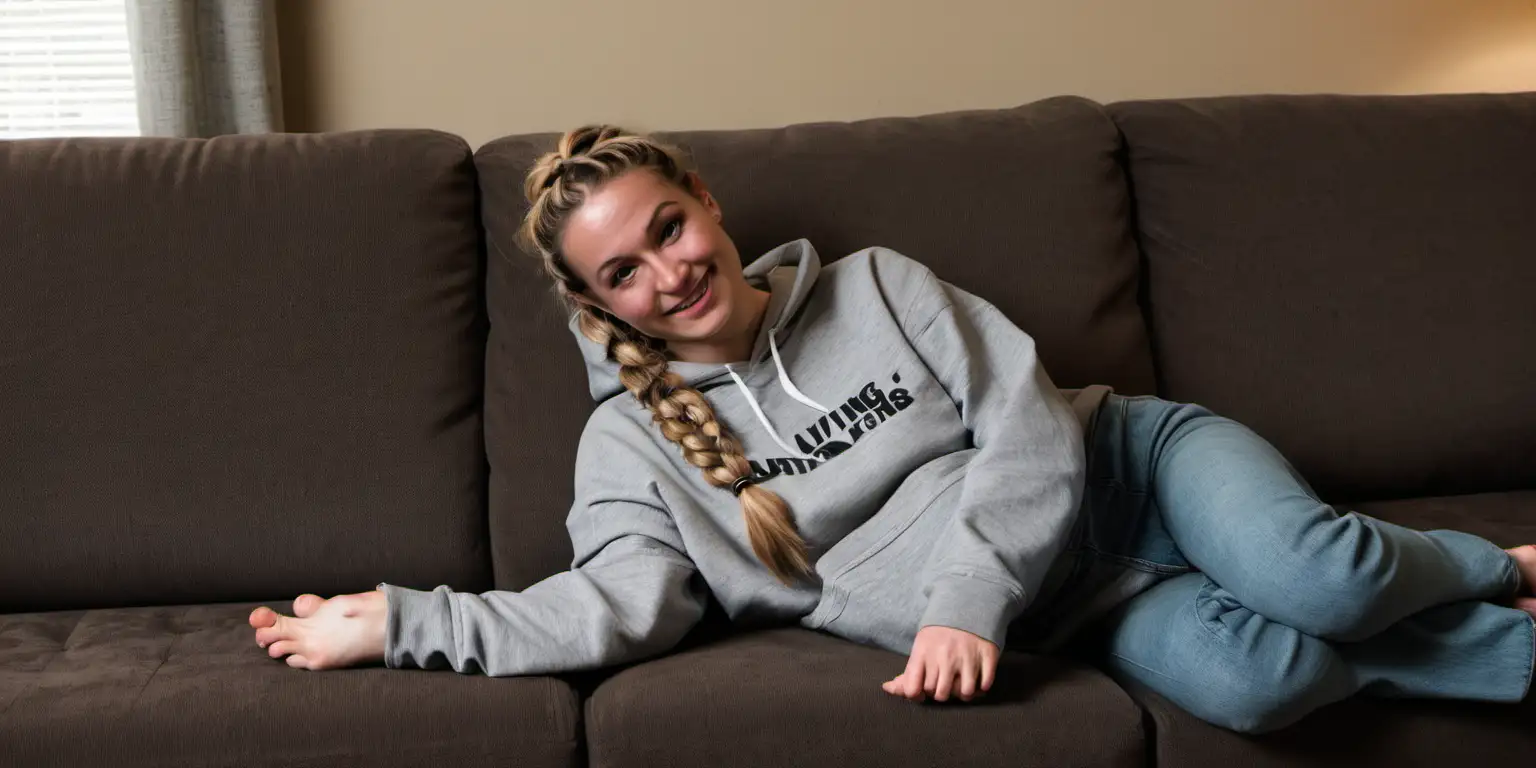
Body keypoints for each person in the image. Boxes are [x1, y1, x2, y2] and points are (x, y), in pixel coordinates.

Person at [250, 125, 1536, 734]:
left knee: (1312, 572)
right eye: (625, 274)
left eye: (668, 229)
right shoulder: (632, 449)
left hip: (1130, 473)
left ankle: (1497, 566)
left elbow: (1029, 429)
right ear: (598, 307)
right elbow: (619, 607)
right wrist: (406, 621)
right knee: (1270, 682)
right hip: (1082, 605)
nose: (668, 274)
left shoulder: (876, 287)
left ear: (704, 198)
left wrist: (967, 601)